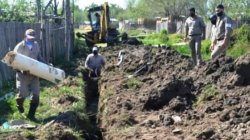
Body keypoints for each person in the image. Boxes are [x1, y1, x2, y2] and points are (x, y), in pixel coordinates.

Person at [13, 29, 45, 121]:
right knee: (22, 94)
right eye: (29, 37)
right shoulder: (19, 46)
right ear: (25, 36)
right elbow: (13, 61)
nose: (31, 39)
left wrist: (46, 65)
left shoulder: (36, 45)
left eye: (33, 38)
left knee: (36, 95)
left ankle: (31, 116)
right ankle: (19, 104)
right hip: (23, 75)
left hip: (34, 75)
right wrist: (22, 70)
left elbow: (38, 57)